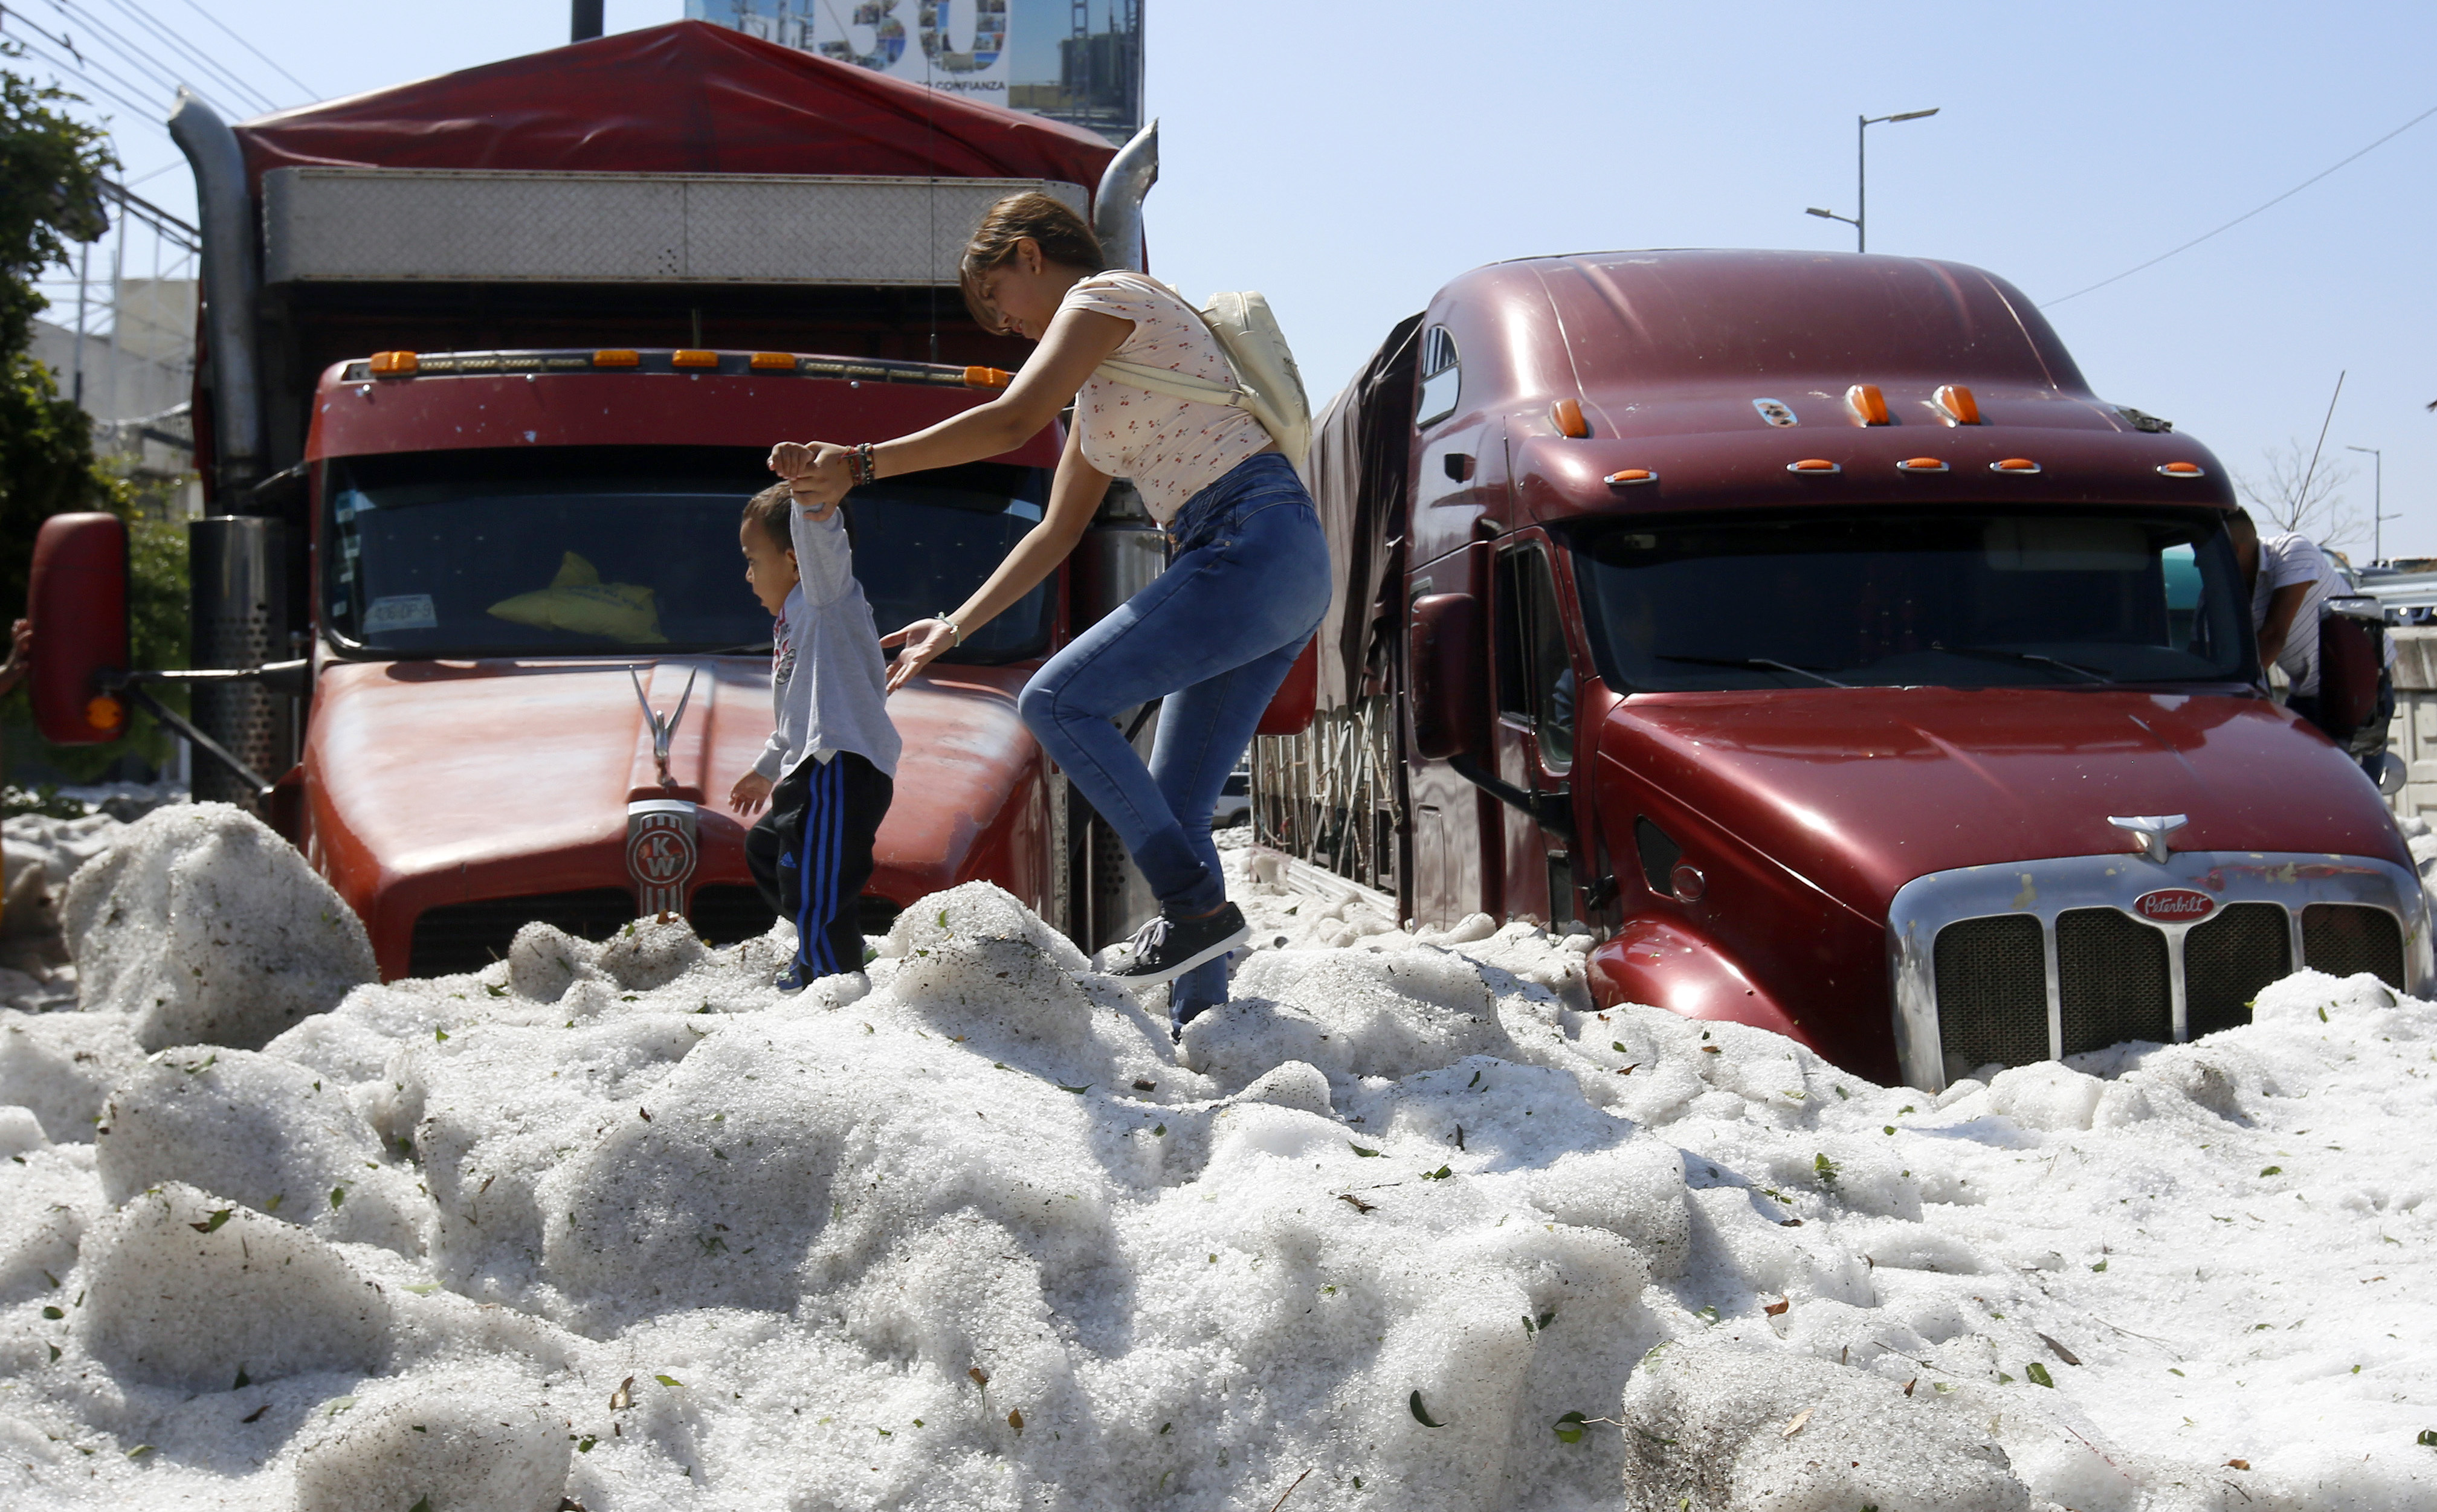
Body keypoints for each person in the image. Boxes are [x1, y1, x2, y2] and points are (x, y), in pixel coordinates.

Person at [768, 192, 1330, 1030]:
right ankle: (1203, 1026)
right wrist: (955, 623)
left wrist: (861, 462)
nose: (1008, 328)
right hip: (1266, 560)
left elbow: (1010, 419)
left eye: (1000, 300)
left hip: (1248, 539)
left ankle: (1199, 911)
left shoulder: (1108, 296)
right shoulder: (1102, 396)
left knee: (1056, 699)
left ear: (1030, 254)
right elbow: (1056, 532)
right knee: (1176, 812)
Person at [729, 482, 900, 992]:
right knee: (767, 851)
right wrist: (765, 768)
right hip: (808, 766)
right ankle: (835, 942)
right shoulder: (793, 619)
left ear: (795, 558)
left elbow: (821, 539)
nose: (748, 574)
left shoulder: (824, 599)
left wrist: (810, 491)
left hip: (839, 766)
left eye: (753, 559)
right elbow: (795, 714)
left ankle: (828, 979)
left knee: (814, 882)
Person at [2226, 507, 2392, 778]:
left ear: (2236, 549)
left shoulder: (2293, 551)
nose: (2198, 565)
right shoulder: (2228, 588)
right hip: (2304, 693)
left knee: (2353, 791)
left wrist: (2228, 697)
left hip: (2356, 691)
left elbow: (2273, 636)